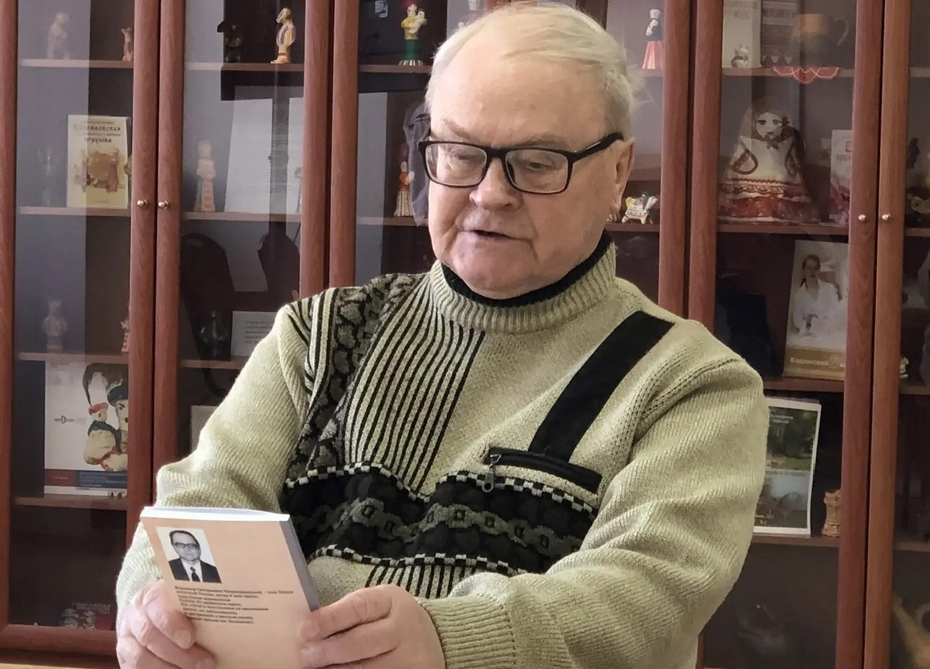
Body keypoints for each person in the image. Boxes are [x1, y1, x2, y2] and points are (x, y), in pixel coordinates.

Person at [115, 3, 768, 669]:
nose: (490, 193)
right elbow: (197, 510)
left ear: (618, 173)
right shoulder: (315, 337)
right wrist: (152, 611)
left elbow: (639, 599)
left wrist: (448, 640)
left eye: (537, 163)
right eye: (459, 153)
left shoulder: (690, 383)